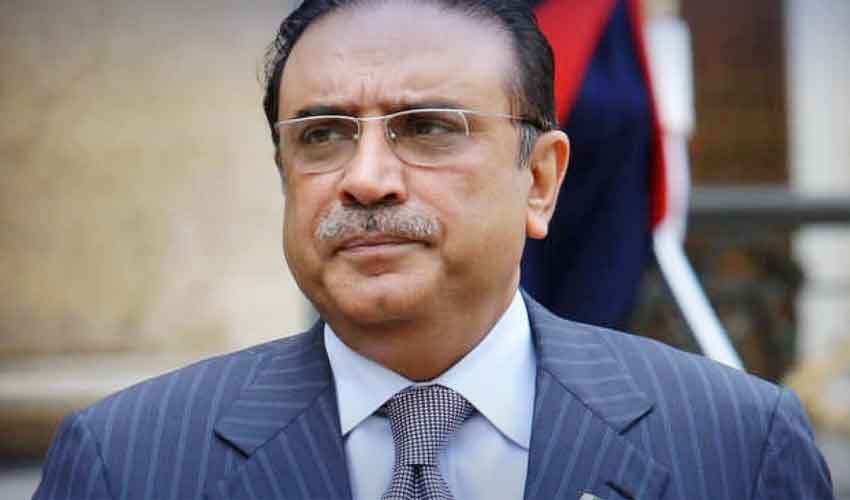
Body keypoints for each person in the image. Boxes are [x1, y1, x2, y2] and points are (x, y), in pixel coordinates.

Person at [34, 1, 833, 499]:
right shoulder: (126, 462)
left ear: (539, 181)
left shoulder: (733, 447)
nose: (366, 179)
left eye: (426, 128)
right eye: (322, 136)